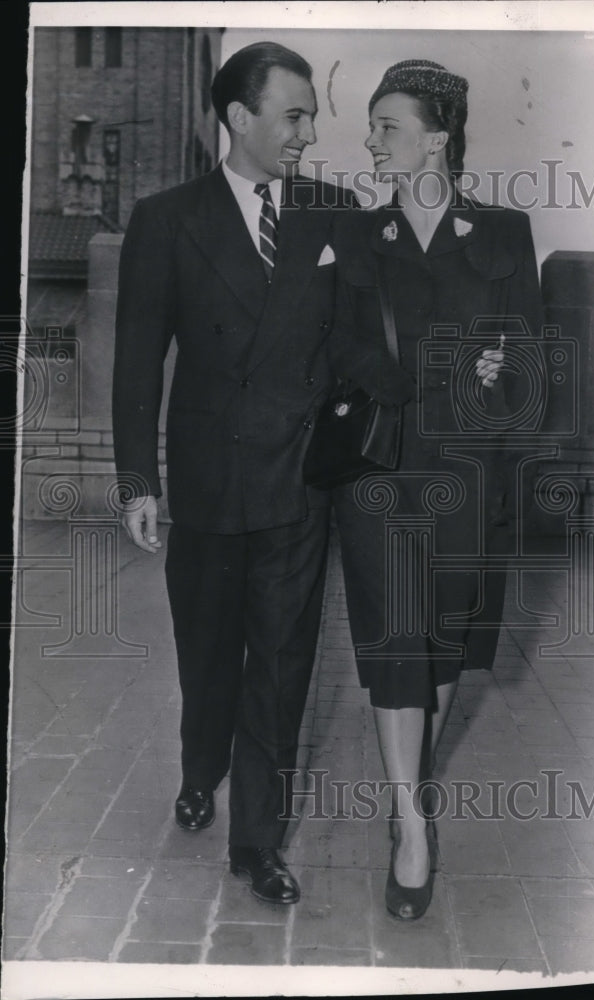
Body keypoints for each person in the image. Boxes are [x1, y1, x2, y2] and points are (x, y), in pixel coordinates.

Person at [112, 41, 353, 905]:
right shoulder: (166, 219)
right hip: (210, 483)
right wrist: (138, 481)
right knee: (208, 651)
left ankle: (257, 843)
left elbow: (362, 344)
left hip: (299, 484)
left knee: (283, 663)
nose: (308, 132)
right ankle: (199, 763)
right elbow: (138, 362)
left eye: (312, 115)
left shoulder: (336, 213)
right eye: (294, 115)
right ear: (238, 119)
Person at [330, 60, 543, 920]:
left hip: (469, 473)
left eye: (387, 125)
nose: (371, 141)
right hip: (382, 474)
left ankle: (405, 788)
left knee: (444, 646)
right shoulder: (354, 235)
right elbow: (343, 356)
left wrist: (493, 375)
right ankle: (413, 827)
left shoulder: (502, 232)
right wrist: (446, 365)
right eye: (373, 126)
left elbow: (528, 361)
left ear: (437, 139)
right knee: (396, 642)